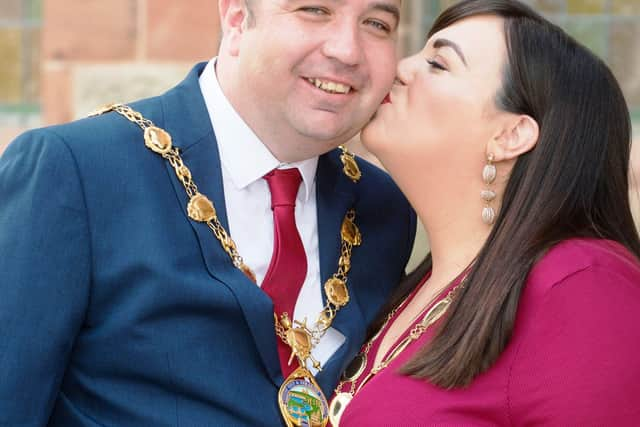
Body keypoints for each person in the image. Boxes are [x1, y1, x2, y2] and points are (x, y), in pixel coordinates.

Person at [0, 1, 416, 426]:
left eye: (376, 23)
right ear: (236, 18)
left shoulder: (385, 209)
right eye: (314, 10)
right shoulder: (76, 171)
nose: (347, 50)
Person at [329, 0, 640, 425]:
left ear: (511, 134)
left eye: (438, 63)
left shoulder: (582, 284)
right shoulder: (406, 284)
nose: (400, 68)